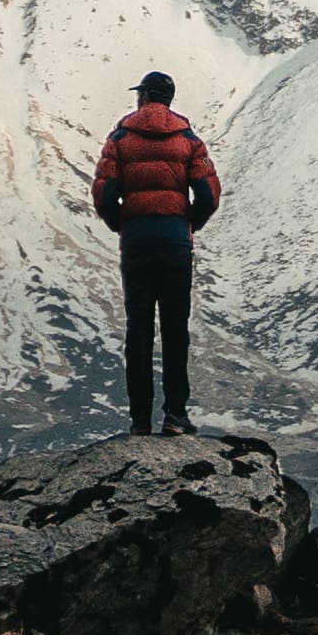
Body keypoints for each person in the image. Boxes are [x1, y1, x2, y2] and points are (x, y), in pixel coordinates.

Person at [89, 70, 223, 436]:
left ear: (146, 96)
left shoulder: (120, 139)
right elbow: (208, 193)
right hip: (176, 244)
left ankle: (140, 420)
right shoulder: (189, 141)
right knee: (175, 329)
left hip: (137, 245)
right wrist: (188, 223)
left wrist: (122, 224)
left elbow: (104, 193)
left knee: (139, 331)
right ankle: (175, 415)